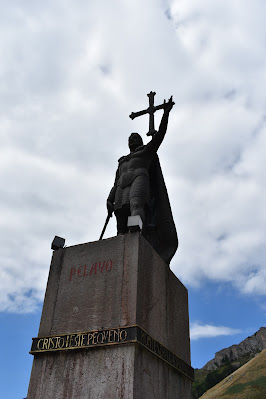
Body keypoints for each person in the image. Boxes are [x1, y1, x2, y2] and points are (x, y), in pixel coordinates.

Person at [107, 96, 178, 265]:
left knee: (136, 206)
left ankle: (136, 233)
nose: (132, 140)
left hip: (139, 178)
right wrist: (109, 199)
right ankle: (121, 239)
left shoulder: (146, 152)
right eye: (130, 139)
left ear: (140, 141)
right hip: (121, 186)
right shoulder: (122, 160)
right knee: (120, 214)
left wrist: (165, 113)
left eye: (135, 138)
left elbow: (160, 135)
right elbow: (115, 182)